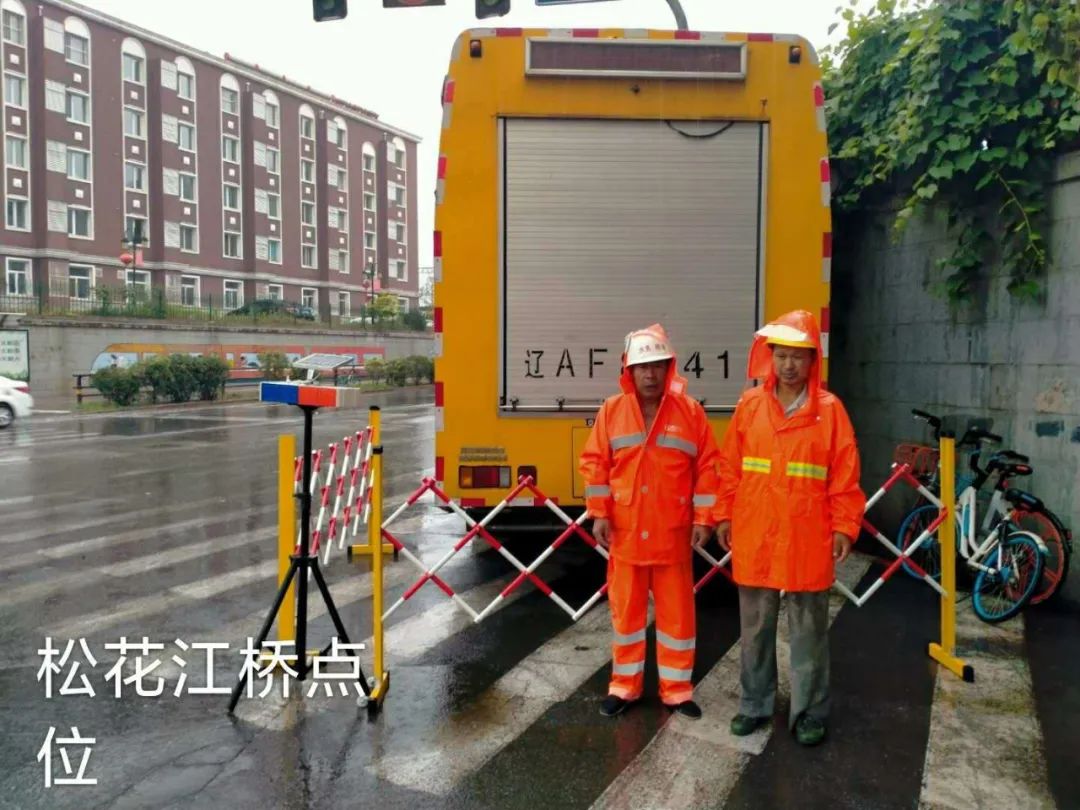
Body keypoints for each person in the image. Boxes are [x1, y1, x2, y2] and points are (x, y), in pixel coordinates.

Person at [715, 309, 865, 746]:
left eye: (798, 356)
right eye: (781, 355)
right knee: (755, 629)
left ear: (811, 360)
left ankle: (810, 712)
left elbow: (844, 475)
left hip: (807, 535)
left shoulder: (830, 412)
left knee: (808, 632)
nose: (788, 365)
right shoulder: (750, 407)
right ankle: (754, 705)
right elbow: (730, 469)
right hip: (757, 532)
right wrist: (723, 515)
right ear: (769, 357)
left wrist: (845, 527)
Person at [580, 324, 718, 719]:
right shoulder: (612, 411)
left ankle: (676, 690)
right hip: (624, 534)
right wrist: (600, 513)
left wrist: (704, 518)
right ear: (629, 370)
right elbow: (595, 464)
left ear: (669, 368)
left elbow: (709, 467)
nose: (650, 374)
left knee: (677, 617)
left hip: (673, 534)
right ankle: (624, 687)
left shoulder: (690, 412)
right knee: (627, 616)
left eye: (658, 366)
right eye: (642, 367)